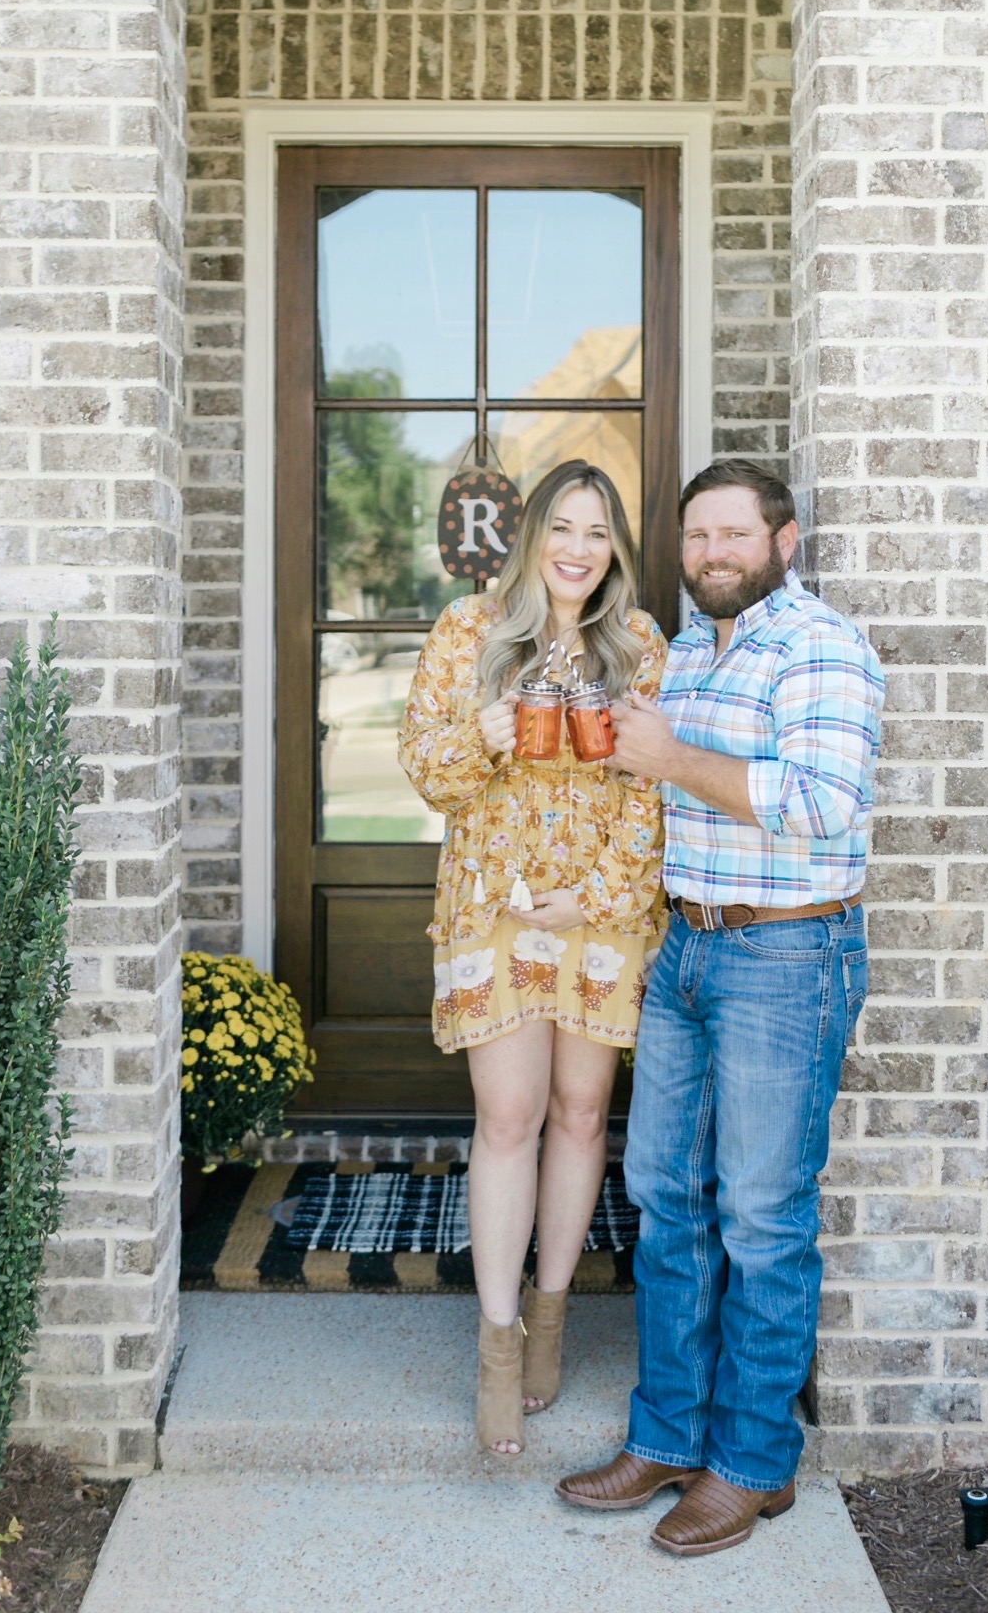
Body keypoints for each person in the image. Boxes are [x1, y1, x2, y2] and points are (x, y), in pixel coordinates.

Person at [556, 456, 884, 1557]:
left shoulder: (819, 645)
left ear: (783, 541)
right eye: (695, 536)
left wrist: (671, 754)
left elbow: (821, 802)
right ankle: (666, 1435)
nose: (709, 554)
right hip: (686, 951)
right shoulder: (691, 648)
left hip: (787, 953)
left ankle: (749, 1463)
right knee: (664, 1196)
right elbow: (658, 786)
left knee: (760, 1211)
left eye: (732, 535)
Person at [398, 459, 667, 1460]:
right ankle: (499, 1342)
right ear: (530, 534)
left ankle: (554, 1312)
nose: (578, 548)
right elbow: (425, 768)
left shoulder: (638, 643)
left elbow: (654, 789)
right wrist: (483, 730)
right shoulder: (469, 631)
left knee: (581, 1114)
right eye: (563, 525)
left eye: (598, 532)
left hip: (594, 908)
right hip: (496, 907)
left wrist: (593, 893)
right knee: (508, 1116)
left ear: (614, 550)